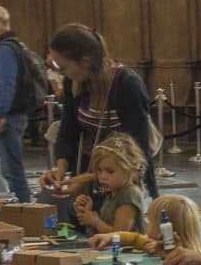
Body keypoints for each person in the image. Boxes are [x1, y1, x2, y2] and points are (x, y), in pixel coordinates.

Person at [39, 24, 157, 198]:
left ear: (85, 62)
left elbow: (137, 150)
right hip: (89, 178)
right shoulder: (73, 83)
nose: (62, 73)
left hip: (126, 185)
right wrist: (60, 170)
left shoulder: (127, 85)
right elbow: (67, 131)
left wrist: (94, 176)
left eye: (63, 67)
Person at [0, 6, 32, 202]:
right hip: (12, 115)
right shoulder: (8, 45)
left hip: (9, 116)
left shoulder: (5, 48)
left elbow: (7, 82)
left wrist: (0, 113)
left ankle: (24, 212)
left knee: (12, 170)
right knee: (10, 169)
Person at [72, 133, 147, 235]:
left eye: (110, 171)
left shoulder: (129, 195)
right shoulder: (113, 193)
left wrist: (94, 221)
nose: (102, 176)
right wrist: (87, 213)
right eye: (99, 170)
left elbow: (119, 235)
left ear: (130, 171)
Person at [88, 194, 201, 255]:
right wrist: (111, 236)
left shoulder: (189, 257)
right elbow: (135, 238)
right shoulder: (155, 244)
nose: (146, 224)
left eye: (149, 221)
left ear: (164, 229)